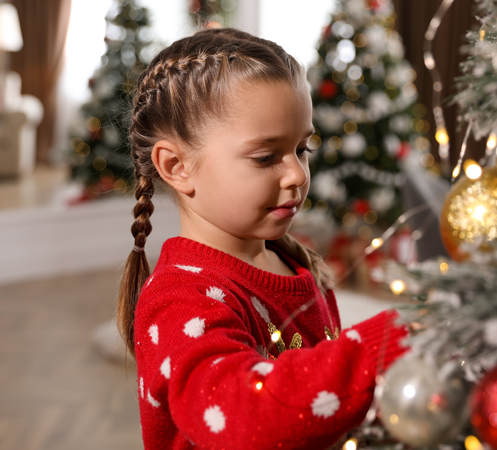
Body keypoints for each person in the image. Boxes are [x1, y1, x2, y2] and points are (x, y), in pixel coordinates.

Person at [119, 28, 408, 450]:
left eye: (302, 149)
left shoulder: (294, 263)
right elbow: (245, 417)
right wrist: (394, 342)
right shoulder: (179, 300)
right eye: (266, 157)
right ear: (177, 166)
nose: (296, 174)